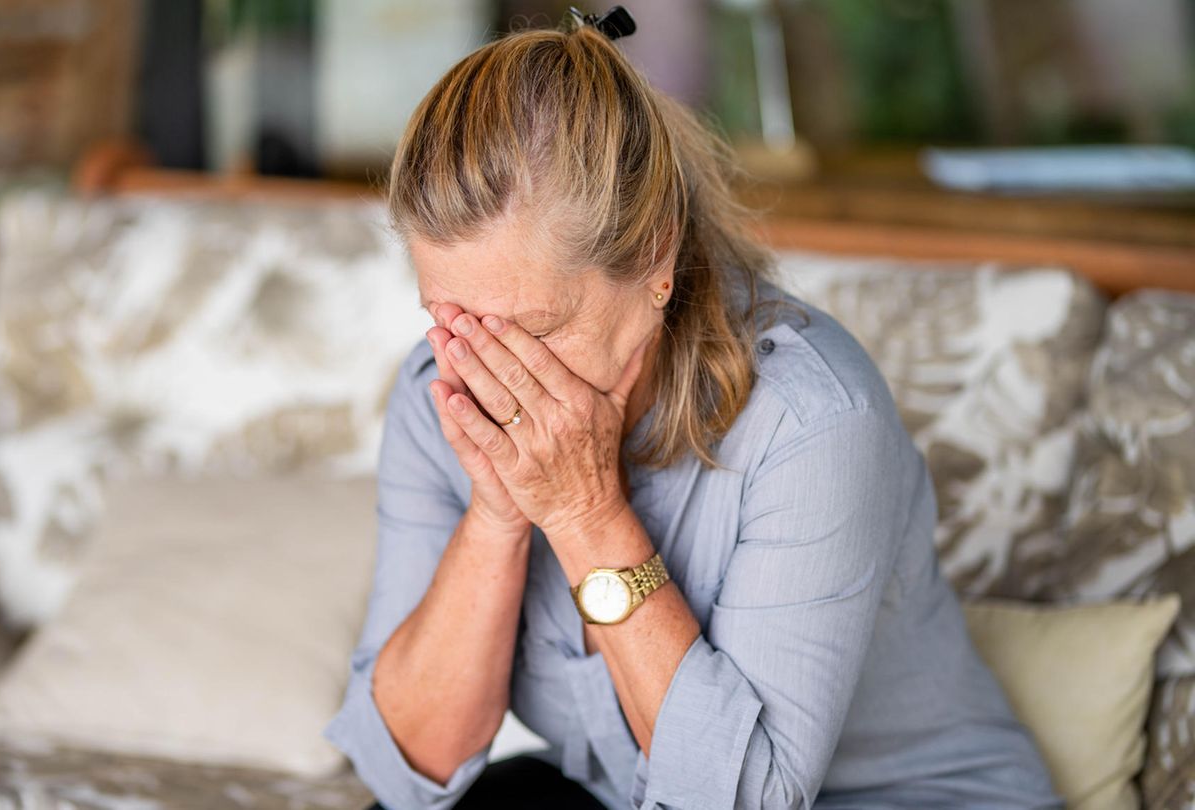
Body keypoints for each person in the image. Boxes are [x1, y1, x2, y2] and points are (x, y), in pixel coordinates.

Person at [322, 9, 1064, 810]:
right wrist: (498, 513)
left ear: (654, 259)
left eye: (536, 330)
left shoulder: (812, 423)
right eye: (455, 319)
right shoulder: (442, 386)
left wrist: (582, 512)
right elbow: (408, 768)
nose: (496, 373)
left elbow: (743, 801)